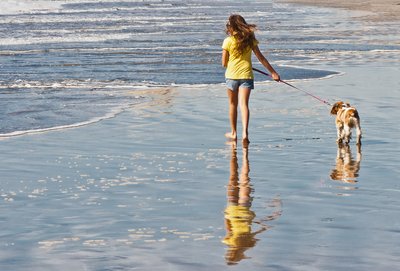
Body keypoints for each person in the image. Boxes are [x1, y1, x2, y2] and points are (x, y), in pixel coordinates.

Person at [222, 14, 280, 144]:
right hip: (247, 75)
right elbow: (261, 58)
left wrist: (232, 61)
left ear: (231, 27)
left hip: (232, 76)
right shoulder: (250, 39)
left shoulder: (228, 41)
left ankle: (233, 132)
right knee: (244, 105)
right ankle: (244, 133)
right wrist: (273, 73)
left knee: (232, 104)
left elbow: (223, 63)